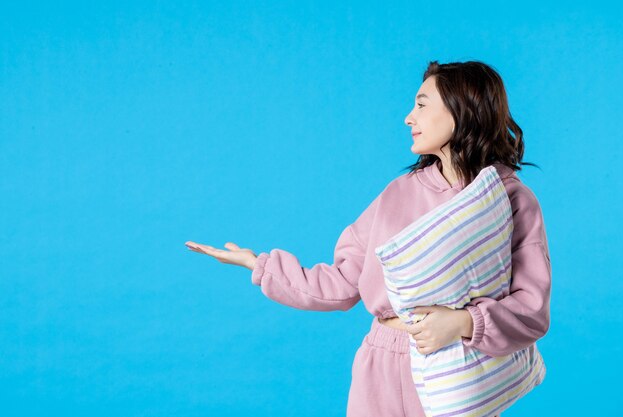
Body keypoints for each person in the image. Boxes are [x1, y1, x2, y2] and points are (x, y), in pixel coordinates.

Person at [185, 60, 552, 417]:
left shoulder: (510, 200)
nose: (409, 117)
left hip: (457, 371)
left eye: (422, 105)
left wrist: (463, 323)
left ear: (464, 110)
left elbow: (532, 311)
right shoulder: (397, 194)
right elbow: (343, 282)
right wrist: (259, 265)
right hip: (380, 366)